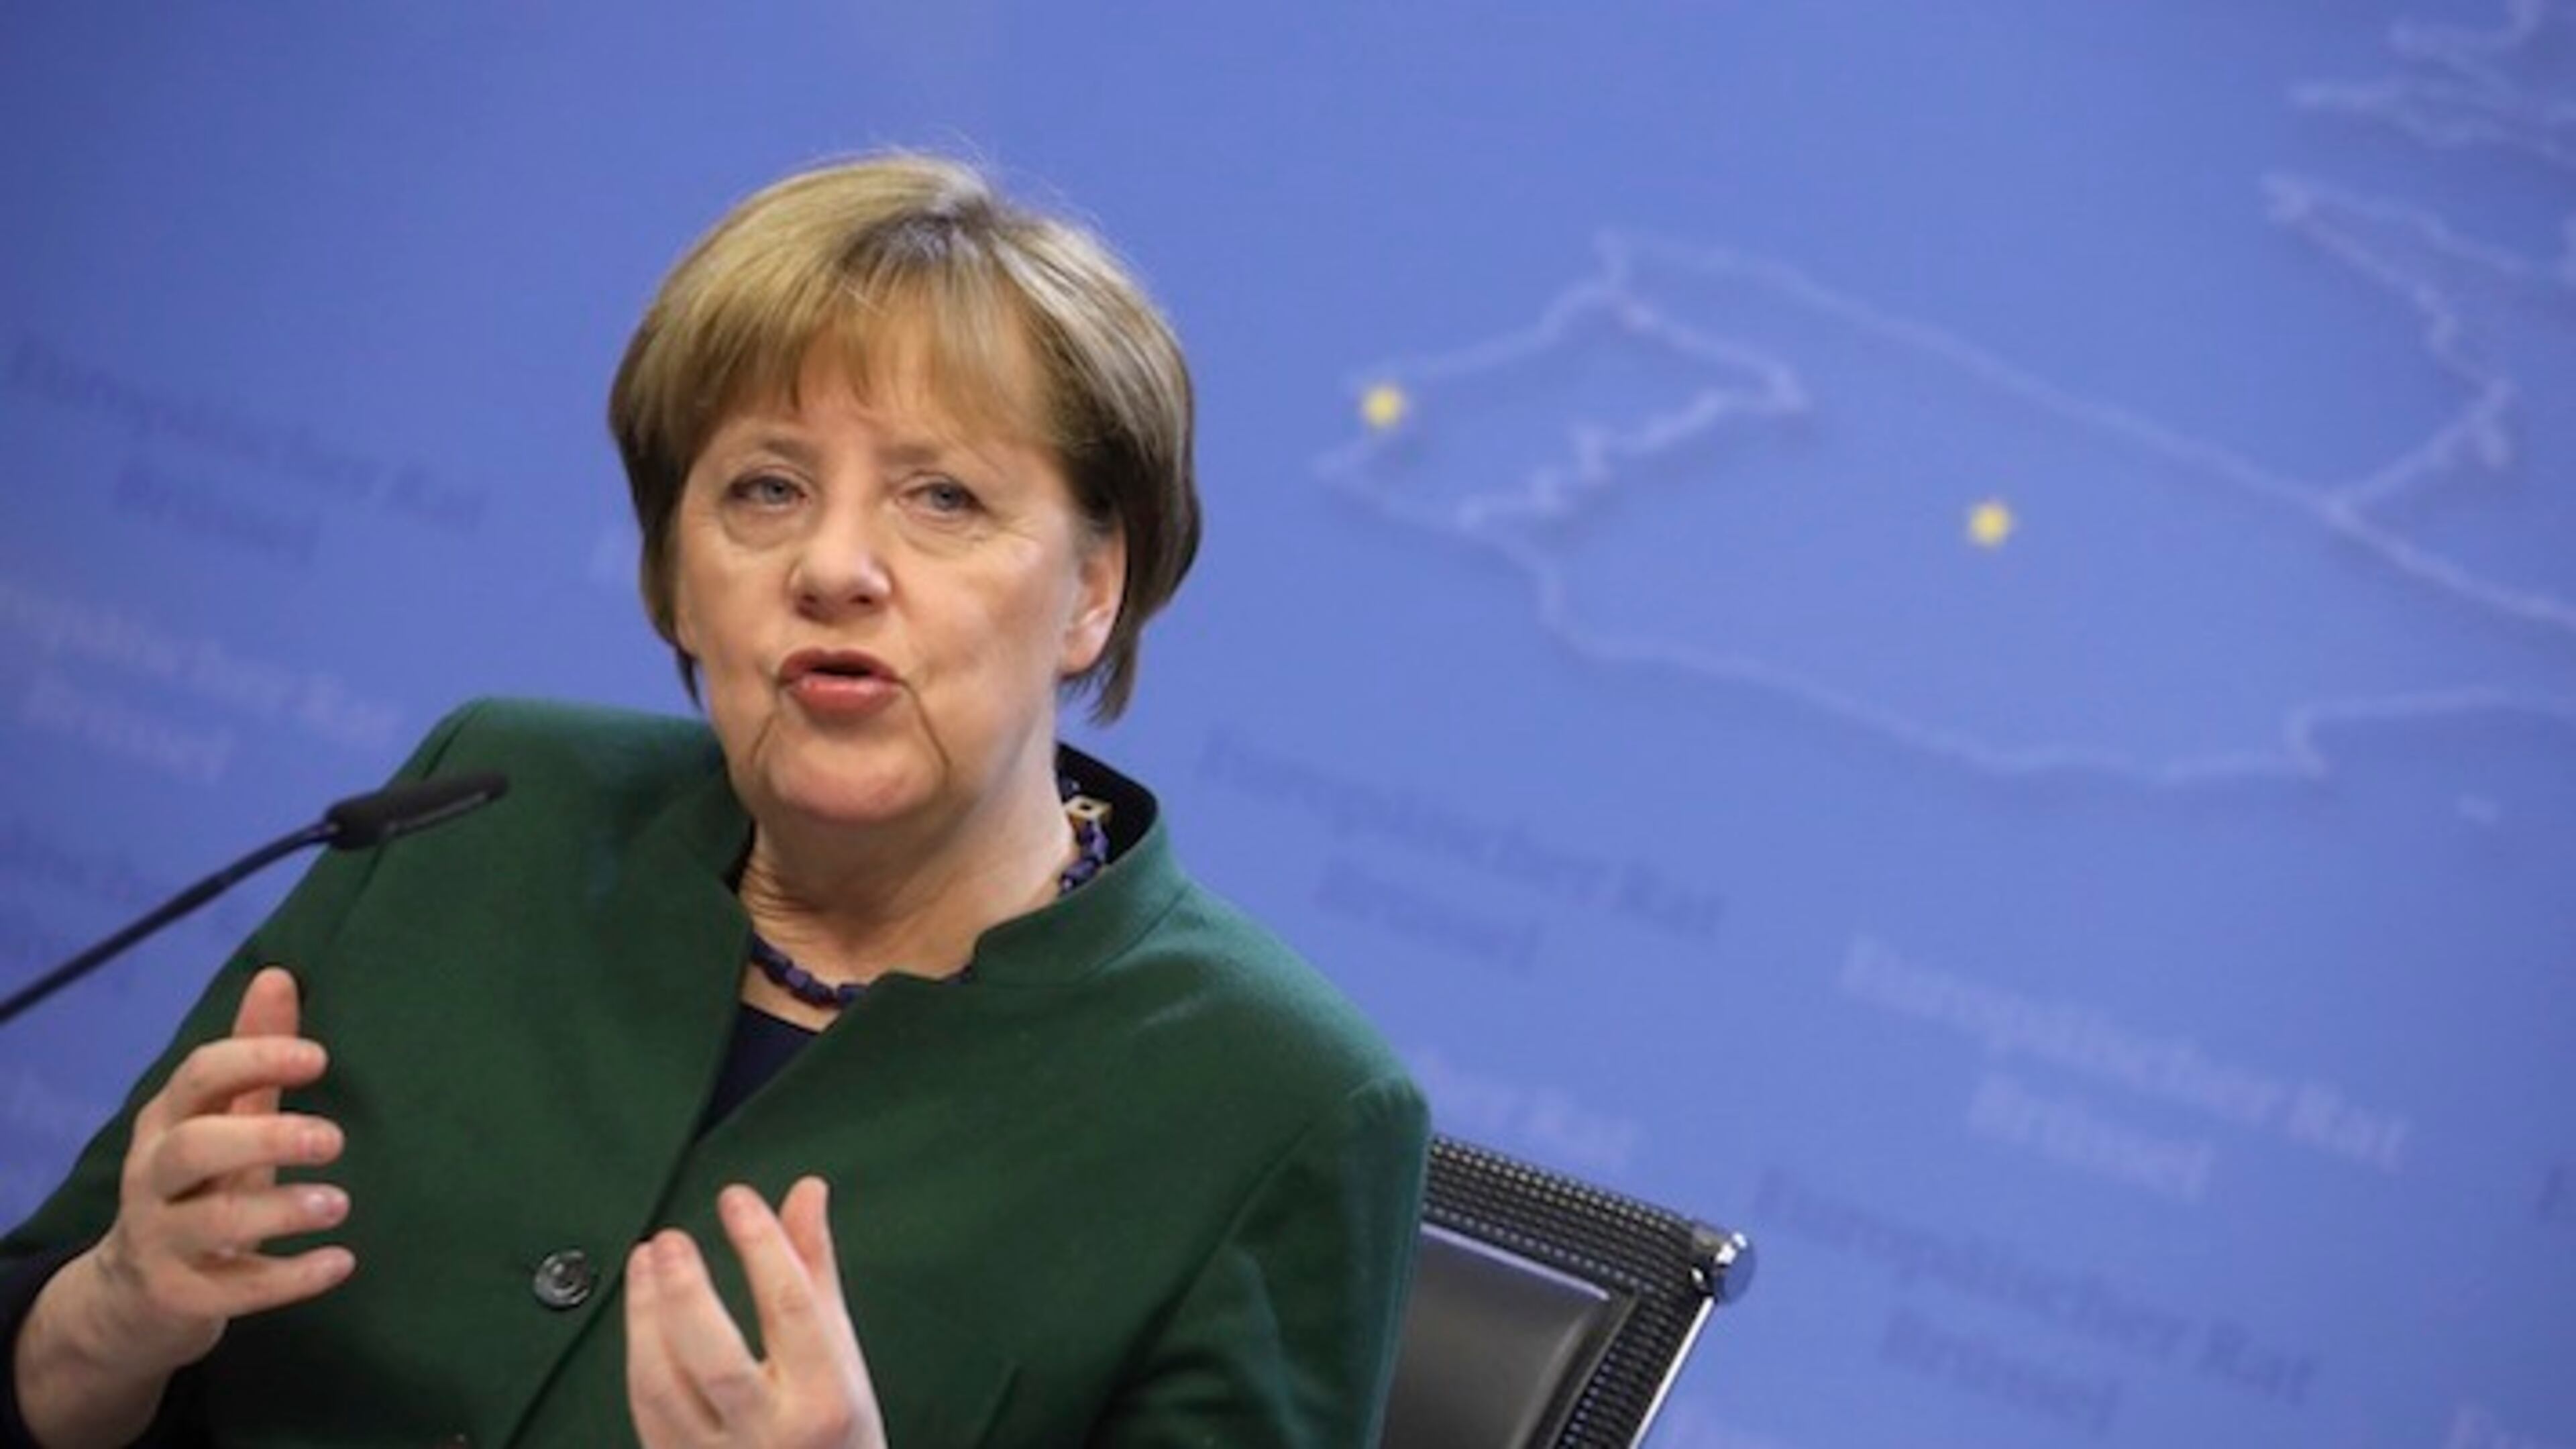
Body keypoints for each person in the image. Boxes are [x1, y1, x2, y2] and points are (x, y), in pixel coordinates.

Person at [1, 153, 1430, 1447]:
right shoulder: (478, 813)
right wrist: (100, 1323)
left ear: (1093, 592)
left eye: (943, 500)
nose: (836, 566)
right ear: (680, 577)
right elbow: (42, 1328)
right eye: (764, 489)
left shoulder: (1276, 1103)